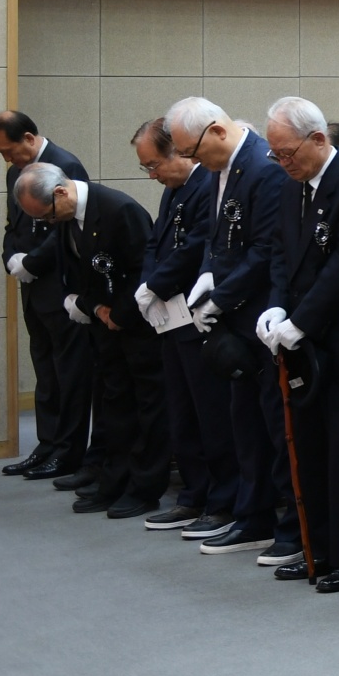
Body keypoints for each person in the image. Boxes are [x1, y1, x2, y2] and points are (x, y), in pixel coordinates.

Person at [258, 96, 339, 589]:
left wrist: (302, 320)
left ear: (319, 140)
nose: (282, 163)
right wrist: (275, 307)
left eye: (287, 153)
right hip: (303, 341)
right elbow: (278, 250)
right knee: (307, 448)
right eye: (275, 155)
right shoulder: (292, 187)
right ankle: (320, 549)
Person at [168, 96, 290, 559]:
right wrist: (206, 275)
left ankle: (276, 522)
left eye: (193, 151)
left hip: (256, 316)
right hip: (234, 319)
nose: (191, 161)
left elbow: (264, 250)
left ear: (217, 131)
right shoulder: (225, 169)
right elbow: (216, 240)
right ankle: (251, 514)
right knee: (244, 424)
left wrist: (220, 296)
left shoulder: (263, 167)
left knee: (268, 426)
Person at [17, 162, 165, 518]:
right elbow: (77, 276)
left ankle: (144, 488)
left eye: (49, 216)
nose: (50, 223)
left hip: (137, 327)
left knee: (147, 410)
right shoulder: (67, 219)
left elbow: (143, 271)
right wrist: (95, 308)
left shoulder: (119, 210)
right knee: (114, 408)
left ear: (61, 193)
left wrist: (119, 315)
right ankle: (112, 482)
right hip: (104, 325)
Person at [129, 118, 235, 534]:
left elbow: (197, 245)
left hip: (198, 315)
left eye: (155, 164)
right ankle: (193, 493)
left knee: (210, 412)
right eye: (147, 169)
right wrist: (146, 285)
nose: (152, 175)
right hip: (168, 317)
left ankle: (221, 498)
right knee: (180, 411)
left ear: (178, 152)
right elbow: (156, 242)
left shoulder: (207, 185)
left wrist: (156, 284)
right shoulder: (172, 191)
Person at [0, 112, 93, 481]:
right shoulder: (15, 172)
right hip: (32, 287)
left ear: (29, 138)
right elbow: (12, 226)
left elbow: (69, 227)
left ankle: (69, 452)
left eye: (9, 150)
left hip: (61, 285)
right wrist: (11, 259)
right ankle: (47, 445)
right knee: (45, 371)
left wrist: (33, 261)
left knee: (69, 373)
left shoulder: (65, 165)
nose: (7, 159)